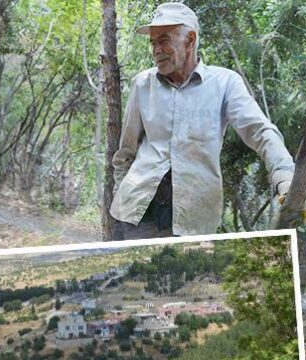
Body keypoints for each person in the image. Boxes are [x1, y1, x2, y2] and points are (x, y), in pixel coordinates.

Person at [109, 3, 295, 239]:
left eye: (164, 40)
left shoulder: (225, 83)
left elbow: (260, 131)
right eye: (153, 43)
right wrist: (120, 193)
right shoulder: (142, 84)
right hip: (134, 213)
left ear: (190, 39)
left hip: (191, 220)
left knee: (176, 275)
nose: (156, 49)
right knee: (126, 275)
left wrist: (285, 177)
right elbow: (126, 152)